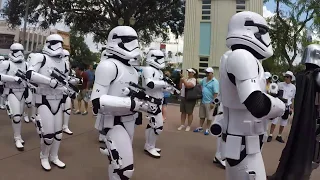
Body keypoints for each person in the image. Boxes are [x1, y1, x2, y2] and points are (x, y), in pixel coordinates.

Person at [219, 11, 285, 180]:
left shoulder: (233, 57)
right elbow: (257, 104)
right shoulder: (242, 56)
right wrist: (280, 106)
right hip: (243, 146)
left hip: (243, 143)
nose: (266, 36)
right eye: (262, 31)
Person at [91, 26, 154, 179]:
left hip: (129, 120)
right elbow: (97, 101)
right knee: (124, 168)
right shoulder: (108, 65)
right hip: (114, 121)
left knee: (118, 163)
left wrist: (139, 106)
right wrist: (131, 104)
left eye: (135, 40)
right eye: (128, 40)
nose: (134, 45)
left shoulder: (132, 70)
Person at [268, 44, 320, 180]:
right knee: (302, 144)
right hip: (308, 118)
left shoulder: (306, 75)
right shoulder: (312, 75)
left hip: (307, 117)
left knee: (301, 143)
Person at [26, 34, 70, 171]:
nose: (59, 46)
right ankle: (44, 156)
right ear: (48, 43)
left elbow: (66, 79)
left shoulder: (64, 62)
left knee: (58, 133)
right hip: (44, 99)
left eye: (61, 43)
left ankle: (54, 156)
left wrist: (68, 85)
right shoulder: (40, 57)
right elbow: (30, 74)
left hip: (58, 100)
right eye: (55, 42)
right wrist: (49, 82)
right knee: (48, 134)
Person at [0, 43, 31, 151]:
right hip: (12, 91)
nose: (19, 54)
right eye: (16, 51)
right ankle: (17, 138)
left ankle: (18, 135)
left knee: (20, 116)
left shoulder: (26, 64)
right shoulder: (6, 64)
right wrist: (13, 78)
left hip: (22, 91)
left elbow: (30, 78)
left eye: (21, 51)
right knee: (16, 116)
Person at [141, 49, 169, 158]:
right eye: (159, 58)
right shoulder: (148, 69)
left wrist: (168, 87)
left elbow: (160, 87)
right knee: (158, 126)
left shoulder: (159, 71)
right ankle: (150, 147)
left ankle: (149, 145)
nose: (162, 61)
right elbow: (150, 84)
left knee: (152, 125)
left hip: (158, 101)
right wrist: (164, 83)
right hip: (151, 101)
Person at [267, 71, 296, 143]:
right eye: (285, 76)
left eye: (288, 77)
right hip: (279, 104)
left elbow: (292, 98)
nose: (286, 78)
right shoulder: (280, 84)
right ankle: (270, 134)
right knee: (274, 121)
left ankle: (279, 135)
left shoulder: (293, 87)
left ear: (291, 78)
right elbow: (275, 93)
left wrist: (292, 108)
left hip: (287, 105)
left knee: (284, 122)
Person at [193, 67, 219, 135]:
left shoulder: (215, 82)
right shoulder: (204, 79)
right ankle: (200, 127)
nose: (206, 74)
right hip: (203, 101)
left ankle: (207, 128)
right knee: (202, 115)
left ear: (212, 73)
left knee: (209, 117)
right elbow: (199, 82)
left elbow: (216, 93)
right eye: (206, 73)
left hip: (210, 102)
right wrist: (194, 75)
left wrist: (213, 102)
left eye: (208, 73)